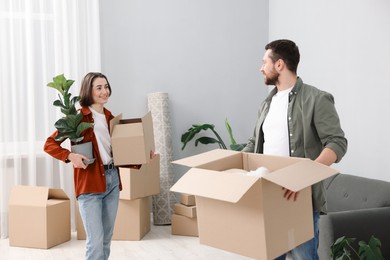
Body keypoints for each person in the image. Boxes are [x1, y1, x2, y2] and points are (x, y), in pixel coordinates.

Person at [242, 39, 347, 259]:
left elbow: (337, 142)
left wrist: (303, 177)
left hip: (300, 198)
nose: (261, 68)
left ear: (279, 65)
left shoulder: (317, 99)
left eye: (264, 62)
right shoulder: (266, 104)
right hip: (268, 196)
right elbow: (254, 144)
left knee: (303, 257)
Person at [44, 72, 122, 260]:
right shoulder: (77, 118)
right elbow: (49, 144)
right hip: (89, 184)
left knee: (106, 240)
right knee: (95, 241)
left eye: (106, 86)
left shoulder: (112, 118)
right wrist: (70, 155)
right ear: (89, 91)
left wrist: (142, 155)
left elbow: (120, 152)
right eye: (99, 88)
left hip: (112, 181)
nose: (105, 91)